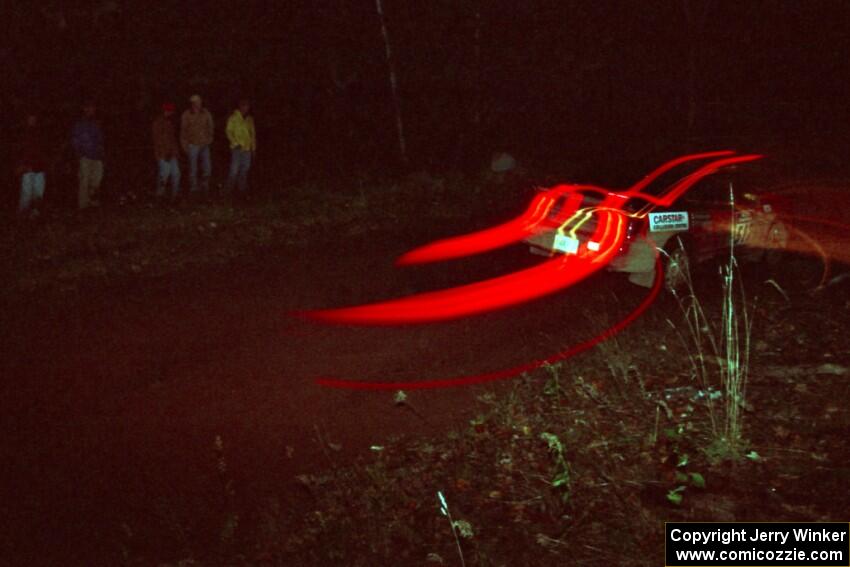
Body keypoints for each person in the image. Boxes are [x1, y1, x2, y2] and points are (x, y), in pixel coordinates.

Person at [71, 101, 105, 209]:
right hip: (85, 156)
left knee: (96, 180)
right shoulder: (79, 124)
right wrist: (78, 155)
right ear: (85, 109)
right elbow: (75, 141)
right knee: (84, 180)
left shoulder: (96, 123)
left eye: (93, 108)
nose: (92, 110)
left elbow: (100, 141)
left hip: (97, 156)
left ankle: (93, 203)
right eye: (89, 108)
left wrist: (102, 155)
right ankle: (83, 205)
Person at [180, 94, 214, 194]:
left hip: (204, 145)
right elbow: (183, 132)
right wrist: (185, 146)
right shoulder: (186, 114)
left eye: (199, 101)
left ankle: (204, 186)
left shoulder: (206, 113)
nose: (199, 103)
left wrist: (209, 138)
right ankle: (193, 188)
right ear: (192, 103)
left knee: (207, 168)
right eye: (196, 102)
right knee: (193, 169)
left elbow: (211, 126)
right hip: (192, 145)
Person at [17, 112, 47, 217]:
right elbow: (19, 151)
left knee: (38, 192)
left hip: (40, 167)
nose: (32, 120)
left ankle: (35, 214)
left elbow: (45, 151)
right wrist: (21, 165)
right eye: (30, 117)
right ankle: (23, 215)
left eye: (34, 117)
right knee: (26, 193)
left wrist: (45, 165)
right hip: (27, 167)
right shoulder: (22, 133)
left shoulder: (41, 133)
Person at [225, 98, 256, 195]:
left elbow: (252, 134)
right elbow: (228, 131)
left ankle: (241, 190)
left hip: (247, 149)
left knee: (245, 169)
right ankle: (228, 190)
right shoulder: (233, 118)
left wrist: (253, 148)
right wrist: (235, 143)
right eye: (244, 105)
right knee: (234, 170)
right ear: (240, 106)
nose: (246, 108)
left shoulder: (249, 119)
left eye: (247, 106)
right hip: (237, 148)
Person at [152, 102, 181, 200]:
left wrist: (176, 153)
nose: (172, 113)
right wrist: (163, 154)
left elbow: (173, 139)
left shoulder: (170, 122)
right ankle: (159, 196)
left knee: (176, 174)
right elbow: (157, 140)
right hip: (163, 154)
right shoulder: (158, 123)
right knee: (164, 175)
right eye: (170, 111)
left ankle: (174, 196)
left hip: (172, 154)